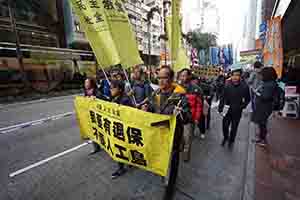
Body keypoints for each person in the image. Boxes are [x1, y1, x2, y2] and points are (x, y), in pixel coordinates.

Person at [218, 69, 250, 149]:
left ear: (240, 77)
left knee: (234, 127)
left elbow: (248, 99)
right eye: (233, 75)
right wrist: (220, 108)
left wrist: (242, 106)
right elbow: (222, 97)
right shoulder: (227, 85)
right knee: (225, 126)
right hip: (227, 110)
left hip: (237, 111)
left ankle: (231, 140)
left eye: (237, 75)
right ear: (231, 76)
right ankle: (225, 137)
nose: (235, 77)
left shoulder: (245, 86)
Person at [110, 80, 133, 179]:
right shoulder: (114, 98)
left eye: (113, 87)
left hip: (122, 129)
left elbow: (130, 114)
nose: (111, 89)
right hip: (117, 127)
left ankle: (121, 168)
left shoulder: (125, 100)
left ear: (119, 89)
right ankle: (128, 162)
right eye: (110, 87)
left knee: (120, 147)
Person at [177, 68, 202, 161]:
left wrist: (196, 118)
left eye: (184, 75)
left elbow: (199, 105)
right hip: (178, 118)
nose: (183, 77)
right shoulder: (177, 88)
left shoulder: (196, 89)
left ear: (189, 76)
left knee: (187, 138)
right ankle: (179, 149)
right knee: (180, 137)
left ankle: (186, 156)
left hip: (189, 119)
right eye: (181, 75)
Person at [251, 67, 278, 147]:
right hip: (263, 106)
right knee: (261, 123)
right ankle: (261, 138)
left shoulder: (270, 84)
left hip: (265, 107)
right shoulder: (269, 83)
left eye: (262, 74)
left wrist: (256, 92)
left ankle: (263, 140)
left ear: (267, 75)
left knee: (262, 123)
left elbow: (265, 96)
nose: (261, 76)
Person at [83, 78, 101, 154]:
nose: (85, 84)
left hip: (97, 115)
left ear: (91, 83)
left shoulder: (96, 91)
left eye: (87, 82)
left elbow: (101, 100)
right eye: (85, 82)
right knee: (92, 131)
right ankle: (96, 147)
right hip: (89, 115)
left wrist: (96, 99)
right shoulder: (86, 92)